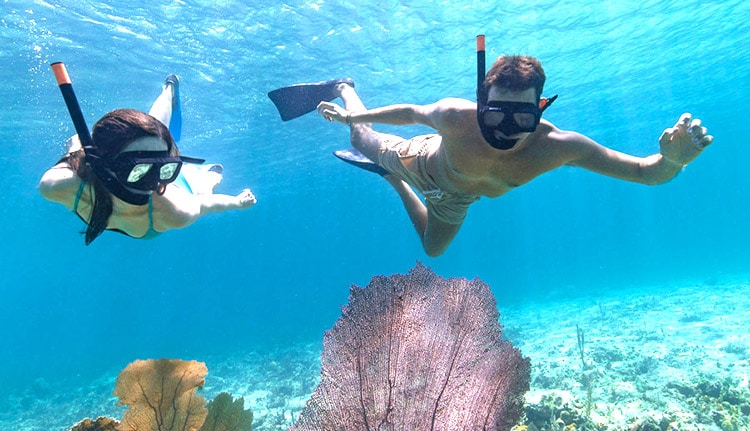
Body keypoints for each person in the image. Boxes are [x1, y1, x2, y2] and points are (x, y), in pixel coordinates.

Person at [309, 54, 712, 257]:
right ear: (482, 104)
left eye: (521, 117)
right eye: (497, 114)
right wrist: (351, 113)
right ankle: (345, 85)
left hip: (456, 197)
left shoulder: (560, 147)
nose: (505, 128)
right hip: (421, 161)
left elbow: (644, 172)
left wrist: (673, 161)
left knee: (433, 251)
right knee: (363, 140)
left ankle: (389, 179)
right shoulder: (455, 115)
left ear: (540, 109)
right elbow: (411, 113)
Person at [40, 75, 256, 245]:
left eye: (165, 165)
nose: (153, 184)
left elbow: (206, 203)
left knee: (205, 185)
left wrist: (238, 202)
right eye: (138, 170)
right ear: (102, 165)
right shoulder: (57, 185)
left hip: (182, 186)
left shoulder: (173, 210)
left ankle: (169, 92)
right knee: (150, 137)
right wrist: (75, 148)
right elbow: (77, 155)